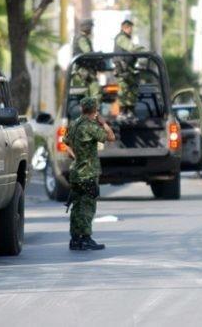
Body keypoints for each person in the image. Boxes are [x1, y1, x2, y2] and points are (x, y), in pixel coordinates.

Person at [63, 97, 115, 251]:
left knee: (76, 206)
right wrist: (103, 123)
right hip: (88, 173)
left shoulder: (74, 124)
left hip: (75, 172)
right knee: (87, 206)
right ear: (95, 110)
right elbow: (111, 137)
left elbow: (65, 143)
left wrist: (77, 157)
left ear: (81, 108)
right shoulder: (90, 126)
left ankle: (75, 239)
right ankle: (86, 238)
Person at [113, 19, 146, 121]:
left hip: (129, 69)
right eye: (130, 28)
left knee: (132, 90)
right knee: (124, 91)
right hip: (123, 70)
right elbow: (131, 48)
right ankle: (123, 112)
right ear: (125, 28)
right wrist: (145, 51)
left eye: (131, 28)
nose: (131, 30)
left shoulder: (125, 37)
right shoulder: (121, 38)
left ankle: (130, 112)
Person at [71, 19, 100, 101]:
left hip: (83, 71)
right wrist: (97, 55)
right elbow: (88, 53)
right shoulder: (82, 39)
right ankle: (93, 112)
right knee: (95, 91)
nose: (91, 29)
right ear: (87, 28)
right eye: (90, 27)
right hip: (83, 71)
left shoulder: (81, 38)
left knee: (88, 94)